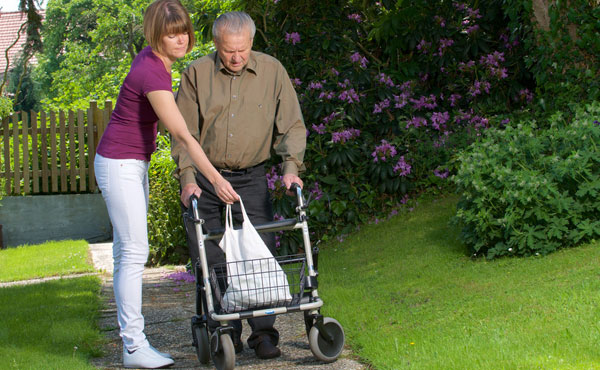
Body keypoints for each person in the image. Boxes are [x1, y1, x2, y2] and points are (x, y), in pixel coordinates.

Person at [94, 1, 238, 368]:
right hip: (120, 164)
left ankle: (133, 343)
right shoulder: (152, 72)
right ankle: (133, 346)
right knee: (133, 253)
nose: (181, 39)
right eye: (171, 33)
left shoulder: (154, 62)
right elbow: (183, 135)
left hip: (128, 163)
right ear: (155, 35)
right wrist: (216, 179)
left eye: (185, 31)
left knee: (126, 252)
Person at [171, 11, 306, 360]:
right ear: (216, 44)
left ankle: (263, 335)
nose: (236, 57)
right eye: (229, 51)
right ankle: (225, 330)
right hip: (206, 179)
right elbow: (183, 135)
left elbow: (291, 125)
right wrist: (188, 181)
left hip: (251, 178)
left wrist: (291, 167)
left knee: (259, 254)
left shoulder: (272, 71)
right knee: (213, 258)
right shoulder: (196, 75)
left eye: (243, 50)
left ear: (251, 43)